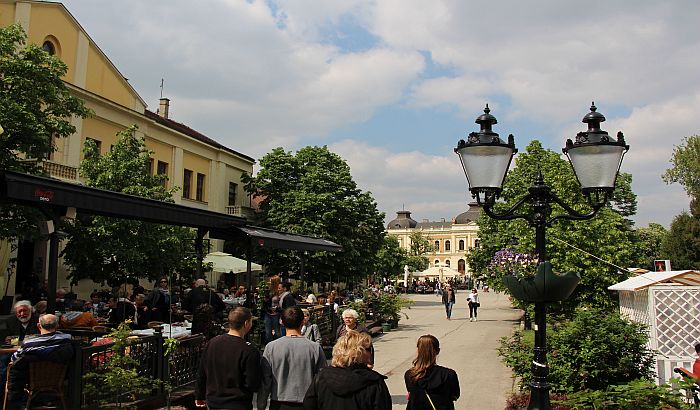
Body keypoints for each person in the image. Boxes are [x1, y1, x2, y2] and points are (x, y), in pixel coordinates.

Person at [303, 331, 391, 409]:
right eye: (368, 349)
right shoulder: (373, 381)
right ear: (361, 352)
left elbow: (309, 404)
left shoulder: (322, 377)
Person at [260, 306, 327, 409]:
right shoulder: (315, 348)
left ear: (282, 322)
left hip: (279, 402)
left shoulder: (271, 347)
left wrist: (262, 404)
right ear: (302, 322)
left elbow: (266, 381)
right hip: (307, 402)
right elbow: (322, 379)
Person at [195, 306, 261, 409]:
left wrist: (199, 395)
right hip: (238, 403)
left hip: (214, 402)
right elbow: (252, 383)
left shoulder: (212, 343)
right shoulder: (249, 350)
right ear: (246, 323)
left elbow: (201, 373)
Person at [6, 314, 73, 409]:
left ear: (39, 326)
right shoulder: (66, 339)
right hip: (57, 378)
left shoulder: (30, 343)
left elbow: (14, 358)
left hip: (31, 379)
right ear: (57, 326)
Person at [404, 335, 460, 410]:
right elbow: (455, 395)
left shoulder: (410, 375)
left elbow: (411, 393)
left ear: (418, 351)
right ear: (438, 351)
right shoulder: (449, 374)